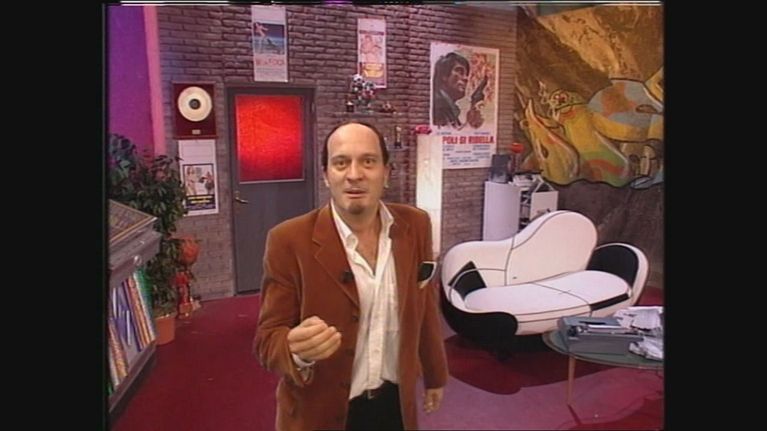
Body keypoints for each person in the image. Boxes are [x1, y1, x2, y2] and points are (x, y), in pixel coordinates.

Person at [254, 121, 448, 431]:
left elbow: (424, 307)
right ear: (326, 175)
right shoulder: (288, 240)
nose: (354, 174)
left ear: (386, 172)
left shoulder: (416, 225)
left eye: (368, 161)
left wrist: (436, 375)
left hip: (394, 405)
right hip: (322, 412)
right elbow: (267, 340)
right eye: (341, 163)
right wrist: (294, 349)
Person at [432, 52, 470, 128]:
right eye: (460, 72)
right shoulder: (439, 106)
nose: (466, 78)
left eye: (466, 74)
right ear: (444, 75)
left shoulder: (450, 108)